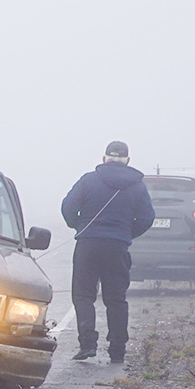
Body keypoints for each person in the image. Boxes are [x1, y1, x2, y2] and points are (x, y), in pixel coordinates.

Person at [60, 141, 155, 362]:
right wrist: (126, 233)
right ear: (128, 161)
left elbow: (68, 207)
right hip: (118, 247)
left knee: (83, 296)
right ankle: (117, 350)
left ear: (104, 159)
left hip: (88, 244)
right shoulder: (138, 186)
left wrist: (79, 226)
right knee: (116, 299)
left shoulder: (88, 180)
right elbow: (147, 218)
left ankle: (87, 345)